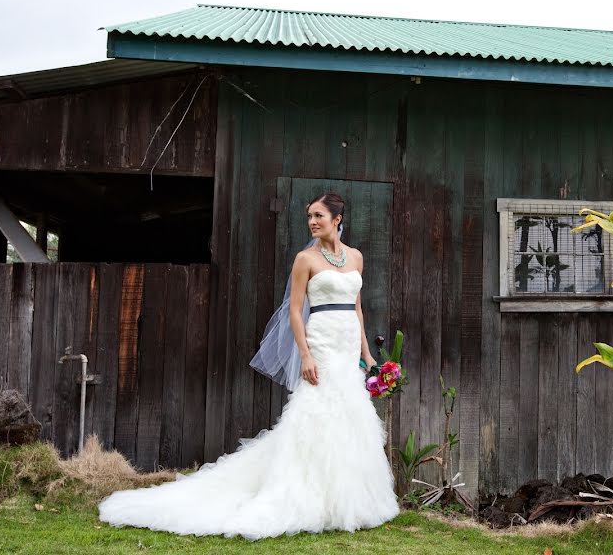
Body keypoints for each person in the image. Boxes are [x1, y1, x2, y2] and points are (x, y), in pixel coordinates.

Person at [98, 193, 400, 540]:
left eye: (318, 215)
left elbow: (357, 309)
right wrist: (304, 354)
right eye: (309, 217)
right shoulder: (306, 259)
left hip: (347, 347)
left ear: (337, 218)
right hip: (320, 344)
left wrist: (368, 354)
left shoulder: (357, 258)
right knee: (318, 413)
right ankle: (304, 495)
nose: (312, 222)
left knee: (349, 418)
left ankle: (350, 499)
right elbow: (294, 311)